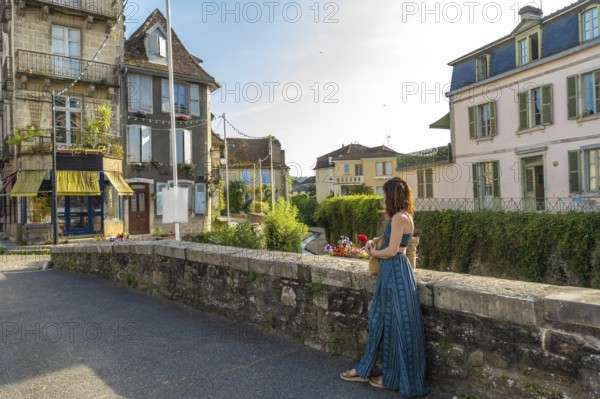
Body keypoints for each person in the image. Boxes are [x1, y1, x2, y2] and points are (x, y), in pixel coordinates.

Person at [340, 177, 430, 397]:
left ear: (392, 196)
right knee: (390, 324)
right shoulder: (406, 216)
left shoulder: (399, 218)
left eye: (385, 194)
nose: (383, 198)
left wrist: (372, 253)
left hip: (394, 272)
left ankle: (382, 375)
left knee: (389, 323)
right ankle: (379, 373)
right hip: (396, 272)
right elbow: (397, 247)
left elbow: (392, 251)